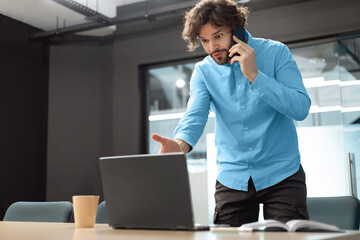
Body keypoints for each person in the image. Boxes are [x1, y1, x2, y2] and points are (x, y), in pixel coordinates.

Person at [152, 0, 311, 227]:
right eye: (204, 40)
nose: (211, 47)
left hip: (282, 174)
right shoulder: (204, 71)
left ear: (237, 30)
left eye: (218, 36)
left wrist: (255, 75)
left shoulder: (276, 53)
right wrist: (178, 146)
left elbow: (301, 108)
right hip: (232, 178)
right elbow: (195, 116)